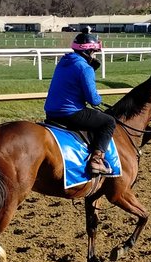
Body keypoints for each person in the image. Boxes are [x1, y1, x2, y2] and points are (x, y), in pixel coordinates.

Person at [45, 28, 117, 176]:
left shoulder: (63, 62)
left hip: (51, 113)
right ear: (88, 52)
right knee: (109, 121)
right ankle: (97, 161)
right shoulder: (85, 68)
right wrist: (99, 97)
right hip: (71, 114)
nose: (94, 55)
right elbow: (93, 100)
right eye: (93, 52)